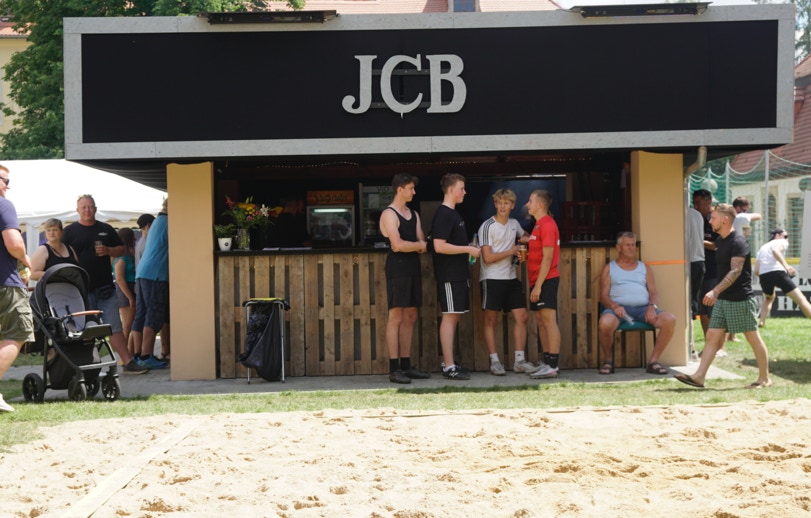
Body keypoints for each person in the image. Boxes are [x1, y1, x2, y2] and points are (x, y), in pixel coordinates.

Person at [675, 204, 771, 389]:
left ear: (725, 219)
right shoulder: (721, 240)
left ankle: (764, 378)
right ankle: (699, 377)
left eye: (713, 218)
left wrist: (715, 291)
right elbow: (718, 252)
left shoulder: (738, 242)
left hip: (740, 299)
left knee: (753, 337)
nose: (710, 221)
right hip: (723, 299)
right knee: (712, 335)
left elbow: (735, 271)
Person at [62, 195, 147, 374]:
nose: (87, 210)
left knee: (114, 328)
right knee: (86, 331)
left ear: (95, 208)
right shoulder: (69, 232)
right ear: (77, 210)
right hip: (81, 291)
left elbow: (121, 249)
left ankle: (128, 362)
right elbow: (60, 254)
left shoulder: (105, 229)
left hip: (105, 289)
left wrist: (108, 250)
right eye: (84, 207)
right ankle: (88, 366)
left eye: (90, 206)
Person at [598, 231, 676, 375]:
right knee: (605, 323)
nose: (631, 248)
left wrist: (651, 307)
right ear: (618, 248)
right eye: (627, 245)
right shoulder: (609, 268)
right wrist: (614, 306)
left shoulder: (644, 267)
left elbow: (653, 293)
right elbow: (603, 296)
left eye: (633, 245)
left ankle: (653, 362)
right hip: (618, 310)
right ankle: (608, 361)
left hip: (643, 309)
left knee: (669, 320)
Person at [477, 189, 535, 376]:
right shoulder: (487, 226)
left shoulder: (514, 223)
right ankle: (495, 362)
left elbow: (526, 235)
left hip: (511, 277)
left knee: (522, 317)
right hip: (491, 278)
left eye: (506, 203)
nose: (503, 206)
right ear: (495, 204)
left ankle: (519, 361)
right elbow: (487, 258)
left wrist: (525, 240)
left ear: (512, 205)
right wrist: (511, 251)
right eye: (500, 202)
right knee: (491, 320)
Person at [379, 173, 430, 384]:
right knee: (396, 317)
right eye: (410, 188)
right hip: (397, 268)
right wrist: (416, 246)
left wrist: (416, 245)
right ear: (400, 189)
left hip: (412, 267)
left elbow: (422, 243)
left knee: (410, 316)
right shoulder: (389, 214)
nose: (414, 192)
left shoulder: (414, 214)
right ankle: (394, 368)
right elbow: (398, 245)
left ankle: (406, 366)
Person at [431, 173, 480, 380]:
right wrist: (467, 249)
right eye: (461, 188)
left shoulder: (453, 214)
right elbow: (439, 246)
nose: (465, 192)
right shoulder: (444, 214)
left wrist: (466, 249)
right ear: (451, 190)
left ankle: (450, 362)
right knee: (450, 316)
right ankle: (449, 366)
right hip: (449, 275)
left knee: (455, 315)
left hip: (459, 273)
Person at [0, 164, 36, 412]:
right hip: (5, 283)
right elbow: (13, 243)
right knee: (18, 332)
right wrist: (25, 259)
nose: (7, 186)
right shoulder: (4, 205)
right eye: (5, 180)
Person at [524, 189, 562, 379]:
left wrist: (539, 286)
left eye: (530, 201)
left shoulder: (547, 224)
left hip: (545, 279)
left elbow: (548, 258)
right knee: (540, 321)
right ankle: (547, 362)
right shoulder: (538, 225)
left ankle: (553, 365)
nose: (527, 204)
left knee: (548, 321)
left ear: (540, 204)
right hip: (537, 279)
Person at [130, 198, 169, 370]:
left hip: (143, 273)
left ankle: (138, 354)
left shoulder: (157, 222)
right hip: (156, 275)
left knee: (142, 314)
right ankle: (146, 355)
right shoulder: (168, 223)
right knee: (153, 315)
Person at [692, 189, 726, 357]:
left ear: (708, 202)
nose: (695, 206)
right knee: (703, 310)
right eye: (694, 203)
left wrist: (699, 240)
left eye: (698, 203)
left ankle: (720, 348)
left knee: (715, 310)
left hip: (715, 271)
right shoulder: (694, 219)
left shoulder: (715, 220)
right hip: (700, 271)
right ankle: (710, 347)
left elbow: (718, 245)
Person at [755, 228, 811, 326]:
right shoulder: (781, 242)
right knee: (801, 299)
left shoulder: (762, 248)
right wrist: (786, 266)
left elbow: (756, 271)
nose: (787, 239)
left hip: (764, 275)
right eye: (785, 236)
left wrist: (769, 277)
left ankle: (761, 321)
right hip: (778, 272)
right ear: (777, 236)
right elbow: (775, 250)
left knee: (769, 297)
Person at [686, 202, 705, 362]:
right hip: (699, 262)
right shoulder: (697, 214)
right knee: (690, 306)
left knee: (687, 307)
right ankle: (691, 349)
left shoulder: (682, 214)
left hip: (689, 262)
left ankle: (691, 349)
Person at [113, 227, 137, 345]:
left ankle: (131, 350)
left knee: (133, 325)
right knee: (127, 326)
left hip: (132, 288)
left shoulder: (130, 255)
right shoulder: (121, 259)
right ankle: (123, 352)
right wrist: (130, 298)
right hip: (126, 291)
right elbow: (120, 279)